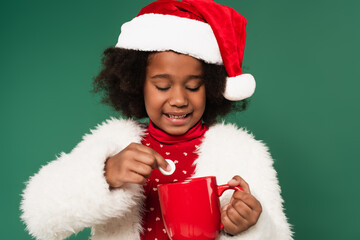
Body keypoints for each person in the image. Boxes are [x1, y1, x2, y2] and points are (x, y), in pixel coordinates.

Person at [20, 0, 293, 239]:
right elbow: (40, 217)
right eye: (162, 86)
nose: (178, 99)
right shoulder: (113, 145)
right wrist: (106, 175)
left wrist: (249, 226)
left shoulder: (243, 153)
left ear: (211, 87)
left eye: (194, 86)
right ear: (136, 84)